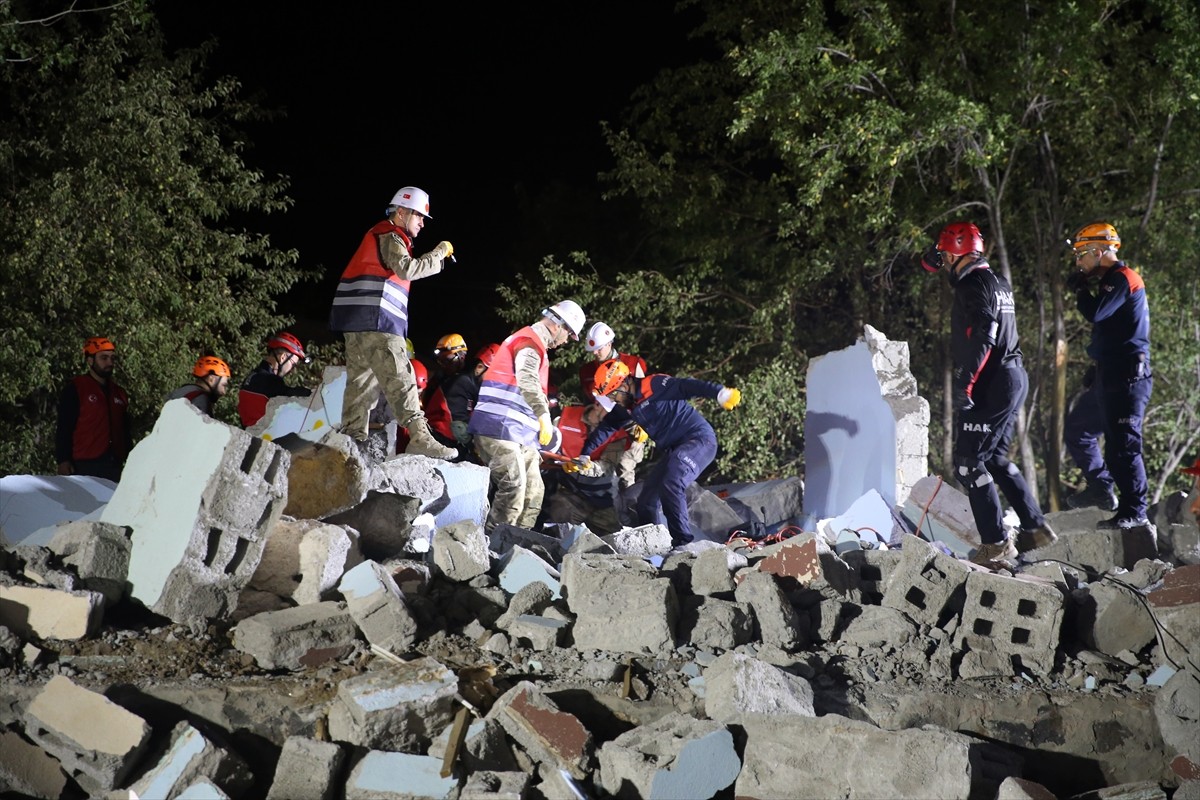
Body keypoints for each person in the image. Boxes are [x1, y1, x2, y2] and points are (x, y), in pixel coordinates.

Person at [920, 222, 1057, 568]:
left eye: (946, 254)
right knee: (994, 459)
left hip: (992, 381)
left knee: (968, 464)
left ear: (957, 252)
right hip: (1012, 377)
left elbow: (986, 332)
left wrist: (966, 381)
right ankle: (1035, 527)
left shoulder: (972, 284)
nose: (943, 261)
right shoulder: (997, 281)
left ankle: (996, 544)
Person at [328, 186, 456, 461]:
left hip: (357, 323)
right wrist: (439, 254)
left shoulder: (376, 234)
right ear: (401, 212)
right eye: (419, 216)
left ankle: (351, 444)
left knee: (361, 386)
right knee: (402, 379)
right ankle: (420, 438)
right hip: (379, 322)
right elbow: (407, 268)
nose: (422, 223)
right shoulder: (391, 235)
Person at [585, 359, 742, 548]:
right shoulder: (627, 407)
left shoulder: (654, 385)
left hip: (699, 441)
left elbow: (686, 386)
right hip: (675, 450)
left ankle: (684, 544)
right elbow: (607, 427)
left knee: (672, 482)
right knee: (645, 502)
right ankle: (654, 546)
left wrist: (719, 392)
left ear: (624, 384)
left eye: (613, 394)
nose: (612, 400)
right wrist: (584, 454)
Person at [1063, 222, 1154, 530]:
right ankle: (1101, 488)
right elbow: (1112, 329)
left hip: (1128, 379)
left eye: (1081, 256)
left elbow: (1097, 313)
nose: (1079, 263)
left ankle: (1135, 510)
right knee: (1078, 429)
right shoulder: (1111, 281)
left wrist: (1080, 290)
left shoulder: (1122, 279)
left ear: (1098, 252)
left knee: (1122, 447)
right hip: (1109, 374)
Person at [468, 300, 586, 531]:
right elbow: (528, 380)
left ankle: (517, 544)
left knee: (534, 492)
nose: (565, 342)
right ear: (557, 325)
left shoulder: (534, 345)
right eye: (568, 335)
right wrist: (543, 417)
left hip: (517, 433)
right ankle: (490, 547)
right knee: (514, 487)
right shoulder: (528, 343)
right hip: (498, 428)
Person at [542, 402, 631, 535]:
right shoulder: (562, 420)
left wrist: (586, 467)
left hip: (603, 498)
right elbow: (547, 448)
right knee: (561, 519)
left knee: (610, 538)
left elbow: (608, 465)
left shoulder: (618, 433)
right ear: (597, 405)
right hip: (571, 493)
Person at [579, 321, 650, 488]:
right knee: (596, 470)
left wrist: (644, 425)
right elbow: (590, 402)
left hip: (633, 423)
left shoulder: (633, 364)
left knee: (625, 469)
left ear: (610, 343)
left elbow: (645, 397)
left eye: (599, 348)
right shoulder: (587, 372)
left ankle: (631, 508)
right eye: (593, 350)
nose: (595, 353)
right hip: (606, 424)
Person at [55, 336, 132, 482]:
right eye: (104, 358)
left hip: (114, 463)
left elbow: (125, 430)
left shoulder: (119, 392)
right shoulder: (76, 388)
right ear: (90, 360)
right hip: (83, 464)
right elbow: (64, 427)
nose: (109, 362)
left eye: (112, 358)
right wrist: (63, 460)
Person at [237, 331, 313, 428]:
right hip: (263, 438)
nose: (292, 370)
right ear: (283, 357)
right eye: (293, 364)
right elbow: (292, 395)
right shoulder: (270, 380)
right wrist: (314, 393)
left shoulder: (253, 376)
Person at [424, 333, 469, 449]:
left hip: (454, 440)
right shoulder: (437, 380)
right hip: (437, 435)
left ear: (461, 356)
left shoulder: (466, 381)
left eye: (447, 359)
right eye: (441, 360)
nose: (444, 365)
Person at [166, 356, 232, 417]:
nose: (224, 392)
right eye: (223, 385)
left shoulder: (179, 392)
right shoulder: (201, 400)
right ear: (211, 379)